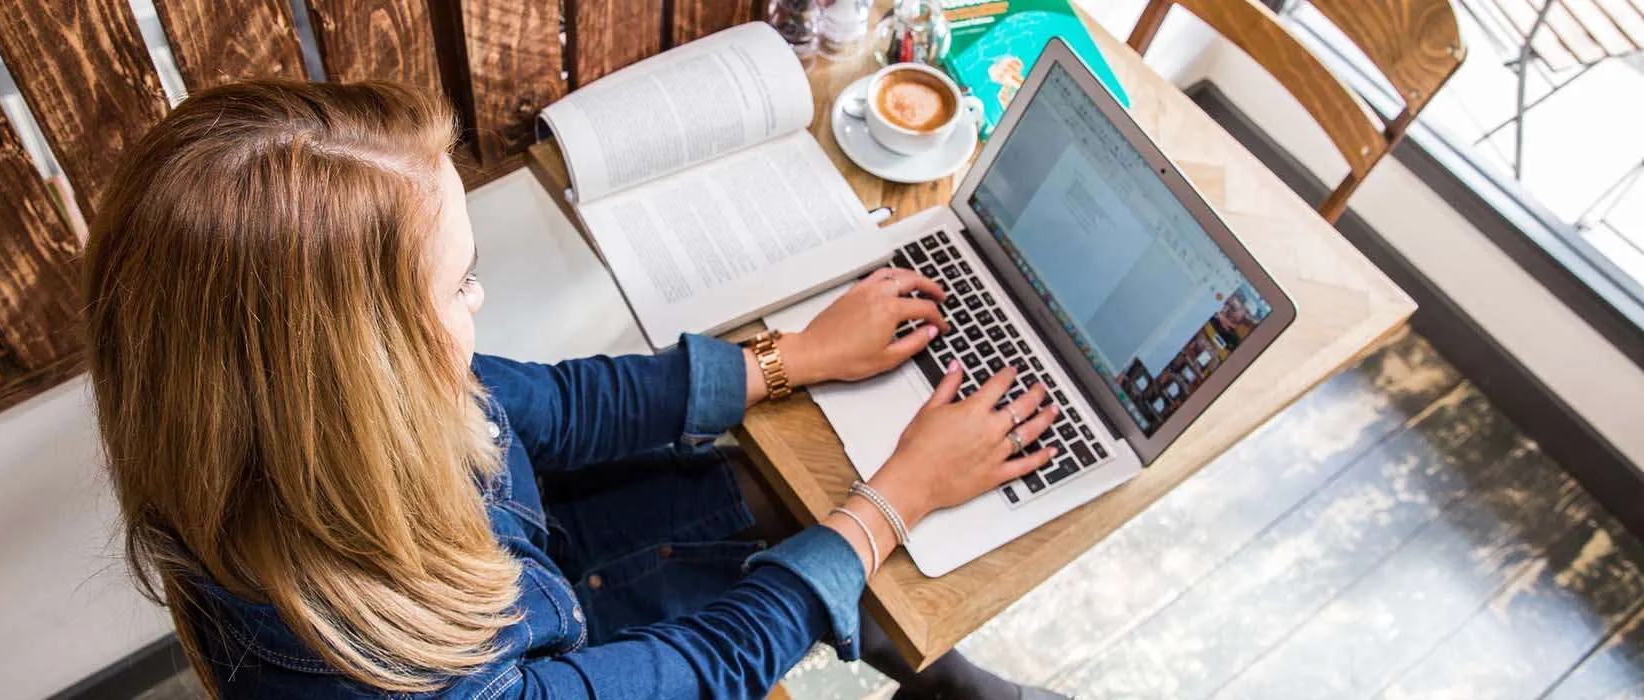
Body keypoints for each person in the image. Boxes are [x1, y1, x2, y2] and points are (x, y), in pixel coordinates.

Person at [85, 79, 1068, 700]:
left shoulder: (277, 417)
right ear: (358, 367)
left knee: (791, 490)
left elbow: (545, 407)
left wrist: (791, 358)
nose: (481, 300)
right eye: (460, 284)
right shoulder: (407, 682)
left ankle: (931, 668)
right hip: (563, 657)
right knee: (844, 528)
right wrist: (891, 503)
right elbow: (697, 669)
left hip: (547, 582)